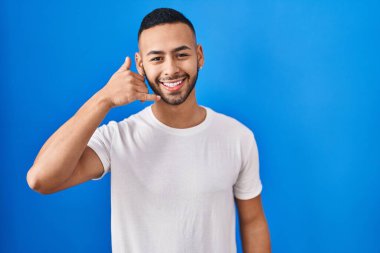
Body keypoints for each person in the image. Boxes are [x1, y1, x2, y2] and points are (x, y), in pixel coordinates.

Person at [26, 7, 271, 253]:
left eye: (181, 54)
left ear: (199, 55)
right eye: (157, 58)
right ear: (141, 65)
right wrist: (103, 99)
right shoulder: (118, 137)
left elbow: (253, 222)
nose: (171, 69)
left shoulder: (237, 136)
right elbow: (41, 179)